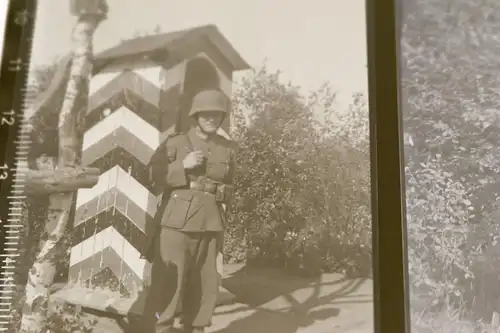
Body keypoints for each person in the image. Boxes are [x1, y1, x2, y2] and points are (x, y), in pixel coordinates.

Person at [145, 89, 237, 333]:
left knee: (205, 284)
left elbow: (234, 182)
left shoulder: (228, 148)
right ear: (195, 116)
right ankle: (161, 329)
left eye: (216, 114)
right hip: (176, 223)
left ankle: (195, 329)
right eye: (205, 114)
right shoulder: (176, 143)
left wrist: (224, 193)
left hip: (211, 222)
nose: (211, 119)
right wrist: (181, 166)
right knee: (168, 284)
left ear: (222, 117)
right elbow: (152, 175)